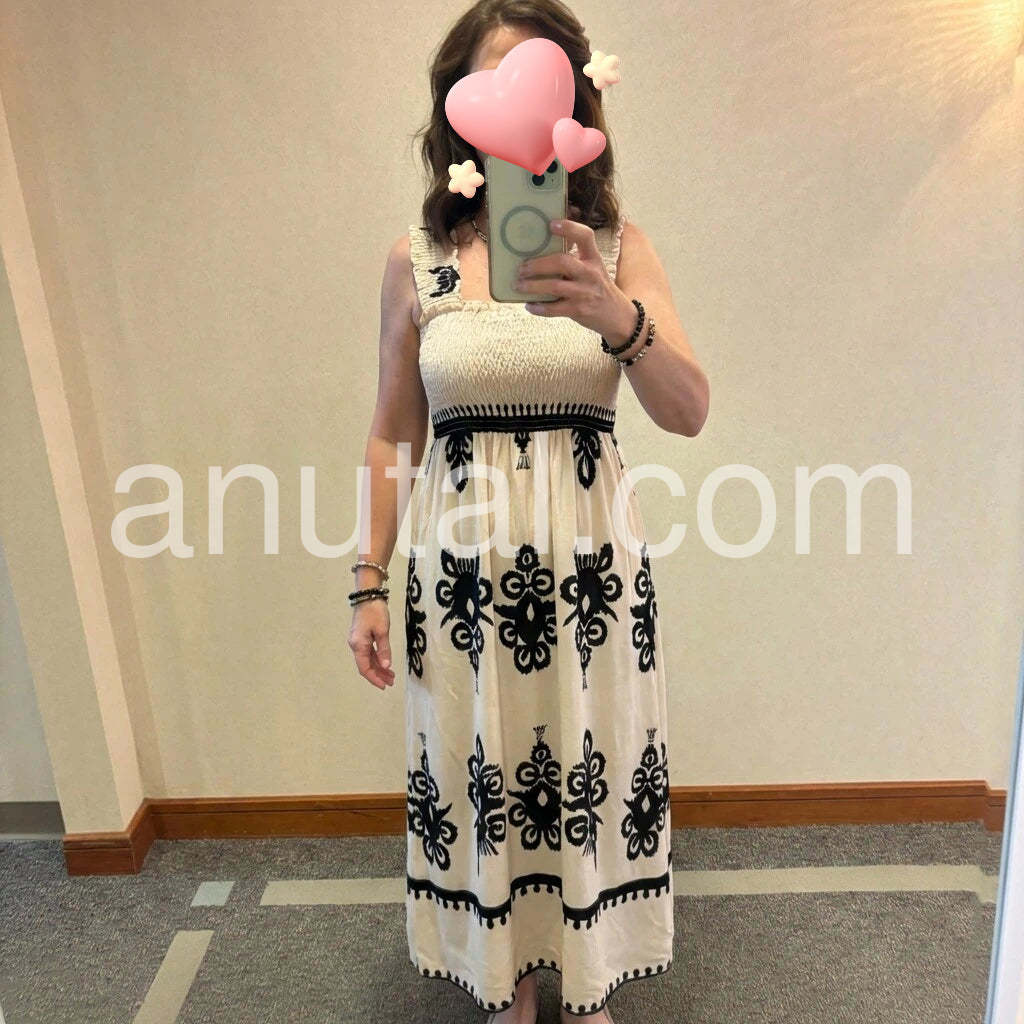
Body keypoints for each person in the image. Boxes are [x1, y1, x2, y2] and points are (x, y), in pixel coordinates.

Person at [348, 2, 709, 1021]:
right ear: (457, 108)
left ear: (574, 103)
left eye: (539, 83)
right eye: (490, 84)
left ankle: (585, 980)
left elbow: (687, 411)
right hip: (461, 580)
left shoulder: (617, 247)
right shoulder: (414, 258)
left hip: (591, 577)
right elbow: (391, 432)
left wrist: (616, 316)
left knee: (589, 756)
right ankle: (507, 976)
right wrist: (366, 579)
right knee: (483, 762)